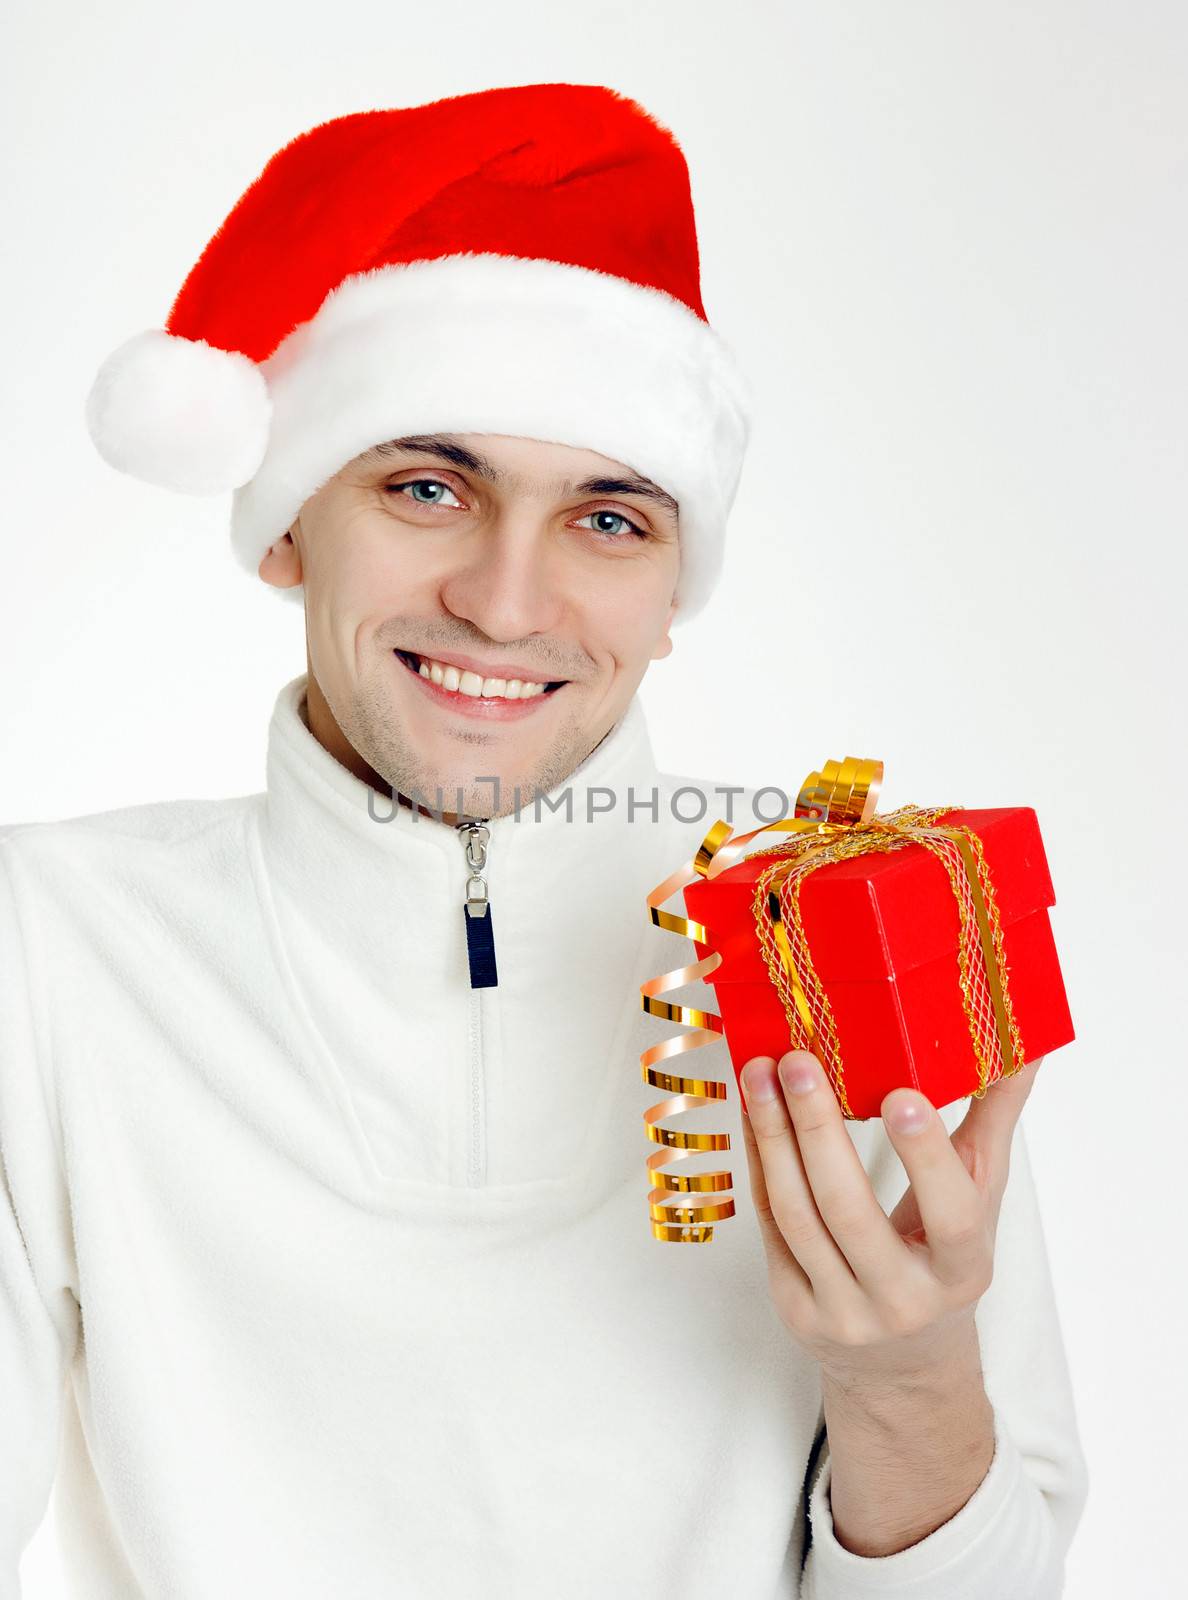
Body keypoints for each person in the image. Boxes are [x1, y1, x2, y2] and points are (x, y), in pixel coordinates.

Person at [0, 83, 1086, 1598]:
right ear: (289, 520)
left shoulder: (849, 943)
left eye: (608, 518)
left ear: (671, 585)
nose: (505, 607)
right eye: (430, 487)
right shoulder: (45, 952)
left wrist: (907, 1378)